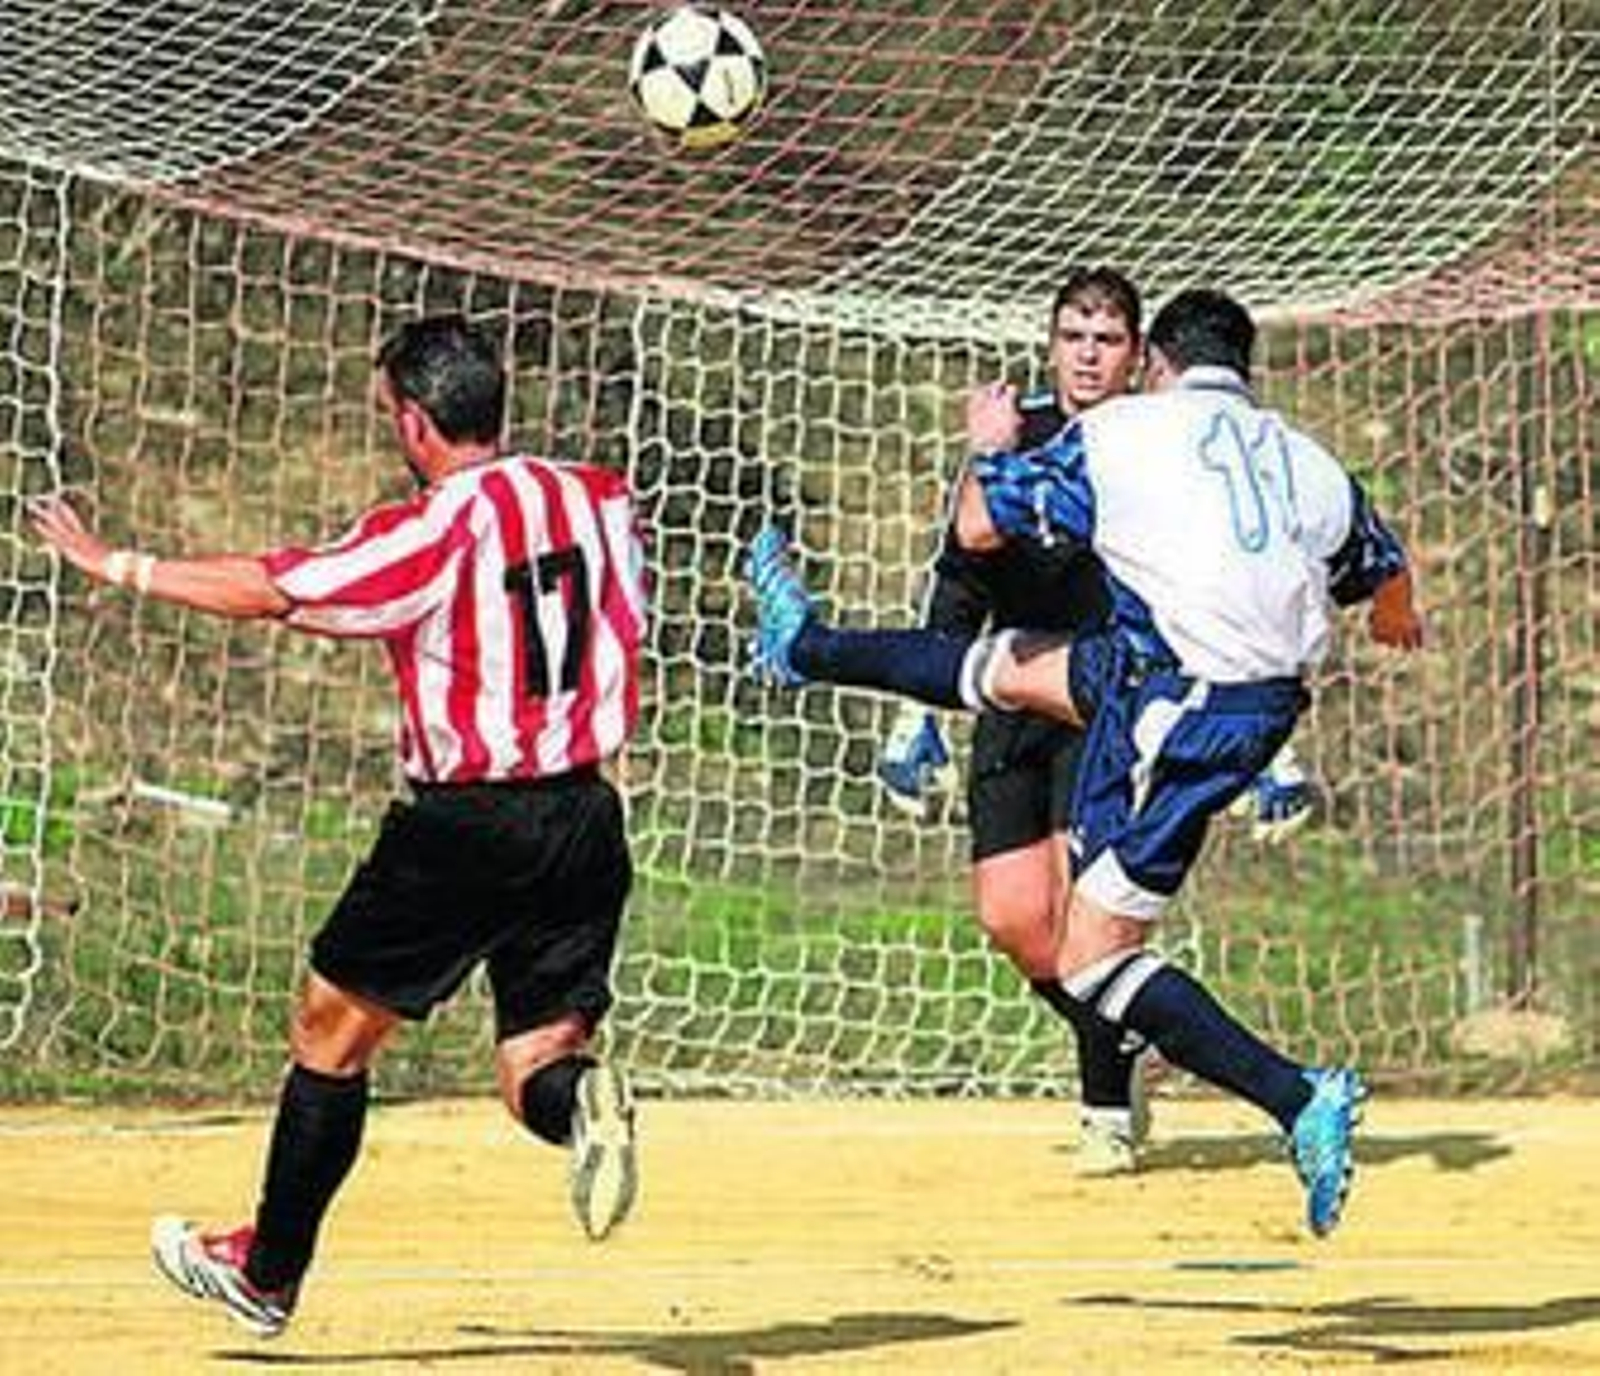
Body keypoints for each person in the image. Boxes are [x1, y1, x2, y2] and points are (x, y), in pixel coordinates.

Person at [744, 287, 1423, 1237]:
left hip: (1181, 709)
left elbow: (980, 528)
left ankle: (1295, 1097)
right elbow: (1380, 566)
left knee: (1090, 960)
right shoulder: (1305, 457)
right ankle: (802, 647)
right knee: (1011, 667)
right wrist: (1396, 609)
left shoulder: (1129, 433)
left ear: (1155, 363)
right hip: (1188, 680)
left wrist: (988, 445)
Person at [29, 314, 647, 1337]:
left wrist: (116, 564)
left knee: (330, 1029)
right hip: (586, 811)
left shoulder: (431, 526)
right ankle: (584, 1103)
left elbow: (274, 589)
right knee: (532, 1064)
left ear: (415, 422)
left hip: (470, 819)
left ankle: (266, 1274)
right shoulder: (596, 496)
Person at [877, 268, 1311, 1173]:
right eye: (1073, 334)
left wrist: (1278, 754)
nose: (1087, 352)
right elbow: (960, 571)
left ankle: (1107, 1112)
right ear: (1049, 345)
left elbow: (1233, 595)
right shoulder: (1016, 439)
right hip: (1015, 692)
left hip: (1120, 699)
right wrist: (915, 716)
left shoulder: (1159, 447)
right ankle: (1131, 1028)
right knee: (1010, 917)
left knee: (1085, 913)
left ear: (1137, 355)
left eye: (1107, 338)